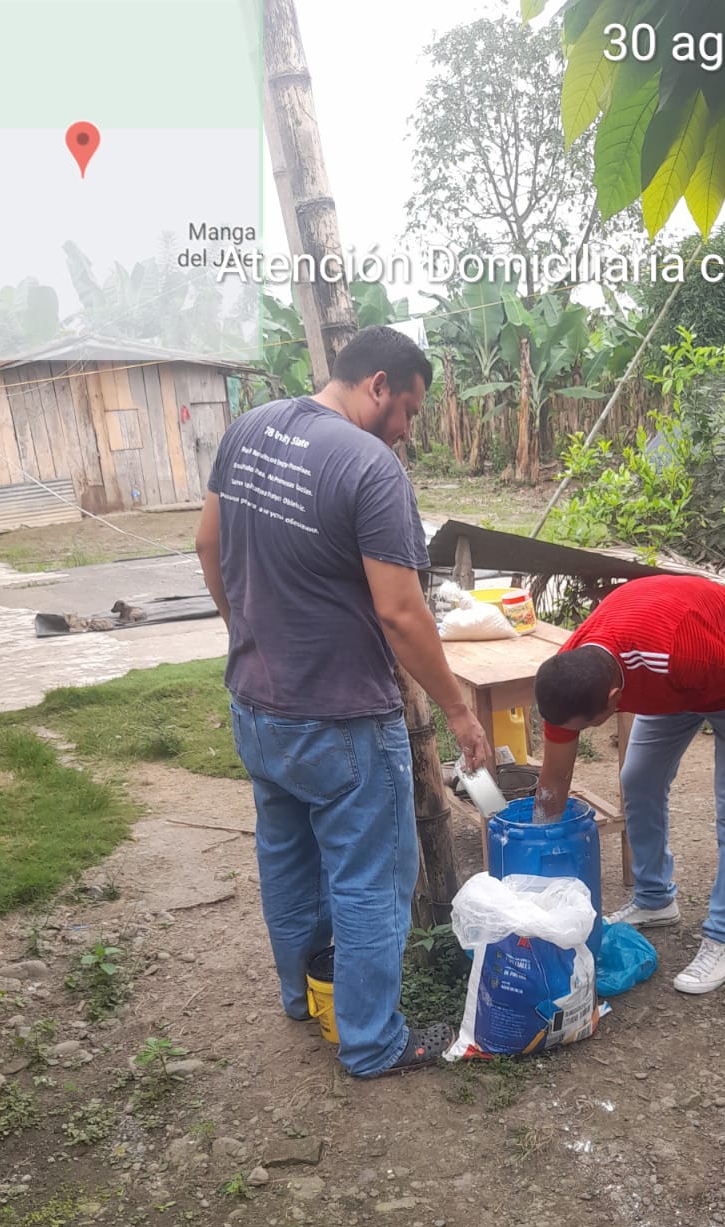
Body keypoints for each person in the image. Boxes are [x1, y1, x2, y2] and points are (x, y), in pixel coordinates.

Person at [195, 326, 491, 1078]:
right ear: (378, 384)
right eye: (409, 411)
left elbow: (206, 545)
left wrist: (244, 633)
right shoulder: (369, 466)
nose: (407, 431)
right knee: (370, 880)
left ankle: (302, 998)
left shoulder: (249, 428)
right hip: (342, 720)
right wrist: (458, 710)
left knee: (287, 859)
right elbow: (401, 613)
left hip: (255, 707)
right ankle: (370, 1041)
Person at [532, 574, 725, 995]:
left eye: (586, 727)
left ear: (613, 699)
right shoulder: (569, 678)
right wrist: (534, 861)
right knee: (638, 779)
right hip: (677, 687)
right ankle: (654, 900)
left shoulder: (676, 651)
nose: (574, 734)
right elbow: (554, 779)